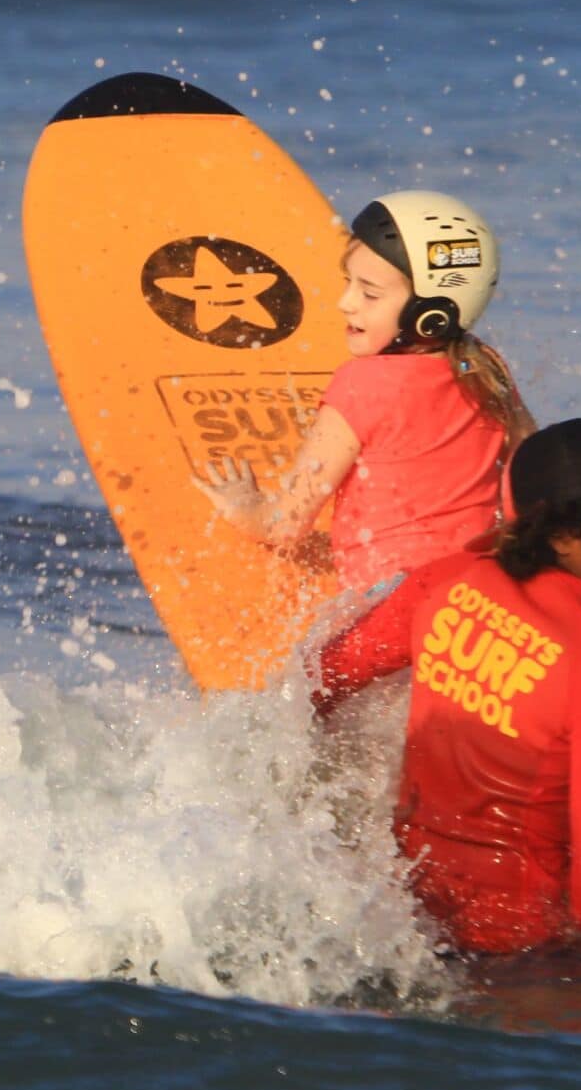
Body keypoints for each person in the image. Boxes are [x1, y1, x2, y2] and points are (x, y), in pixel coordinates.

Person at [210, 190, 531, 711]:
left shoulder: (362, 385)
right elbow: (530, 470)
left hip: (390, 612)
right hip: (480, 604)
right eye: (348, 284)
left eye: (369, 292)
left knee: (298, 710)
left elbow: (285, 523)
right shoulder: (486, 370)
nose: (346, 302)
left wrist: (242, 507)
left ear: (431, 312)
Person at [392, 418, 581, 960]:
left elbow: (326, 676)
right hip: (516, 945)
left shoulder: (447, 579)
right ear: (563, 536)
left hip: (403, 911)